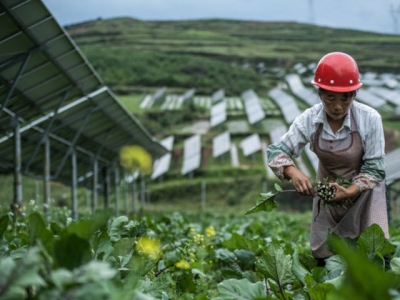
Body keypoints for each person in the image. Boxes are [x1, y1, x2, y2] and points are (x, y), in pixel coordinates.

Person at [267, 52, 389, 266]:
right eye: (330, 97)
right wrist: (293, 172)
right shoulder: (309, 119)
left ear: (355, 94)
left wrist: (351, 190)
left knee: (373, 257)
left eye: (346, 98)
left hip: (365, 195)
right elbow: (277, 151)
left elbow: (375, 168)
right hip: (328, 195)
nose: (338, 107)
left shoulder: (369, 119)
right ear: (319, 93)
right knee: (326, 259)